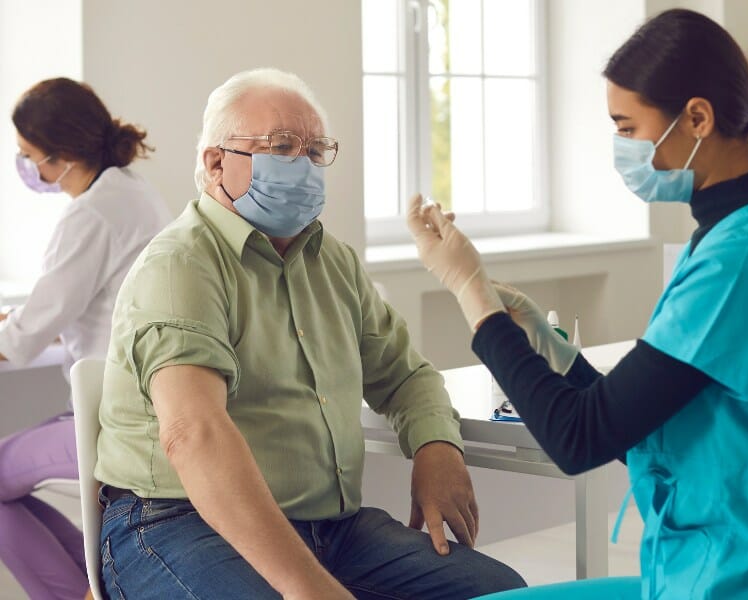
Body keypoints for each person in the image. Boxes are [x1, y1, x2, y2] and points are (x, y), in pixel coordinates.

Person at [408, 9, 748, 600]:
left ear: (696, 117)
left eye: (627, 127)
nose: (620, 148)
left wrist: (473, 297)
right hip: (710, 566)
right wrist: (546, 342)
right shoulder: (735, 235)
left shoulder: (739, 258)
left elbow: (579, 440)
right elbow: (630, 423)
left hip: (745, 579)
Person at [93, 67, 525, 600]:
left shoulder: (333, 261)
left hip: (331, 528)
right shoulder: (181, 264)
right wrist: (308, 588)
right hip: (176, 523)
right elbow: (194, 434)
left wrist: (437, 449)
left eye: (317, 150)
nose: (303, 164)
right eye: (280, 146)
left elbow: (406, 375)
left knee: (502, 592)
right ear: (215, 163)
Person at [0, 78, 170, 599]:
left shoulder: (91, 214)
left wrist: (15, 327)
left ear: (65, 153)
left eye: (32, 157)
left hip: (113, 420)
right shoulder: (132, 191)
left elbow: (24, 340)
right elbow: (73, 303)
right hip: (137, 404)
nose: (29, 169)